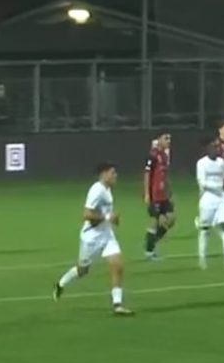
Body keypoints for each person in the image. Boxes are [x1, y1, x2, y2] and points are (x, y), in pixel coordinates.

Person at [53, 162, 134, 316]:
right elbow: (86, 214)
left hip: (106, 235)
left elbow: (104, 213)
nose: (115, 175)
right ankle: (60, 284)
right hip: (92, 238)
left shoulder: (107, 189)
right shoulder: (96, 190)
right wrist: (108, 217)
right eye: (112, 173)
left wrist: (112, 219)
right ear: (104, 174)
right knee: (82, 270)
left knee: (117, 265)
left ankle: (117, 305)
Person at [195, 141, 224, 271]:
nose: (217, 150)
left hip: (221, 199)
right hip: (207, 200)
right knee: (205, 230)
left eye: (218, 148)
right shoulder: (201, 163)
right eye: (214, 147)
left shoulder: (221, 162)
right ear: (208, 149)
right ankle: (202, 258)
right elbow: (202, 183)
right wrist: (218, 186)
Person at [195, 122, 224, 229]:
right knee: (210, 199)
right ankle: (203, 220)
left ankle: (218, 221)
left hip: (223, 177)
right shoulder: (216, 145)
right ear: (220, 130)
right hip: (213, 178)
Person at [144, 133, 175, 260]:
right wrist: (147, 193)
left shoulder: (165, 156)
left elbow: (164, 175)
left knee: (171, 219)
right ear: (159, 140)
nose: (169, 141)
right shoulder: (153, 155)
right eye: (166, 138)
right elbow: (147, 175)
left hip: (163, 195)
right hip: (154, 195)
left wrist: (169, 189)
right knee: (155, 221)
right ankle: (149, 251)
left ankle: (151, 242)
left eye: (169, 138)